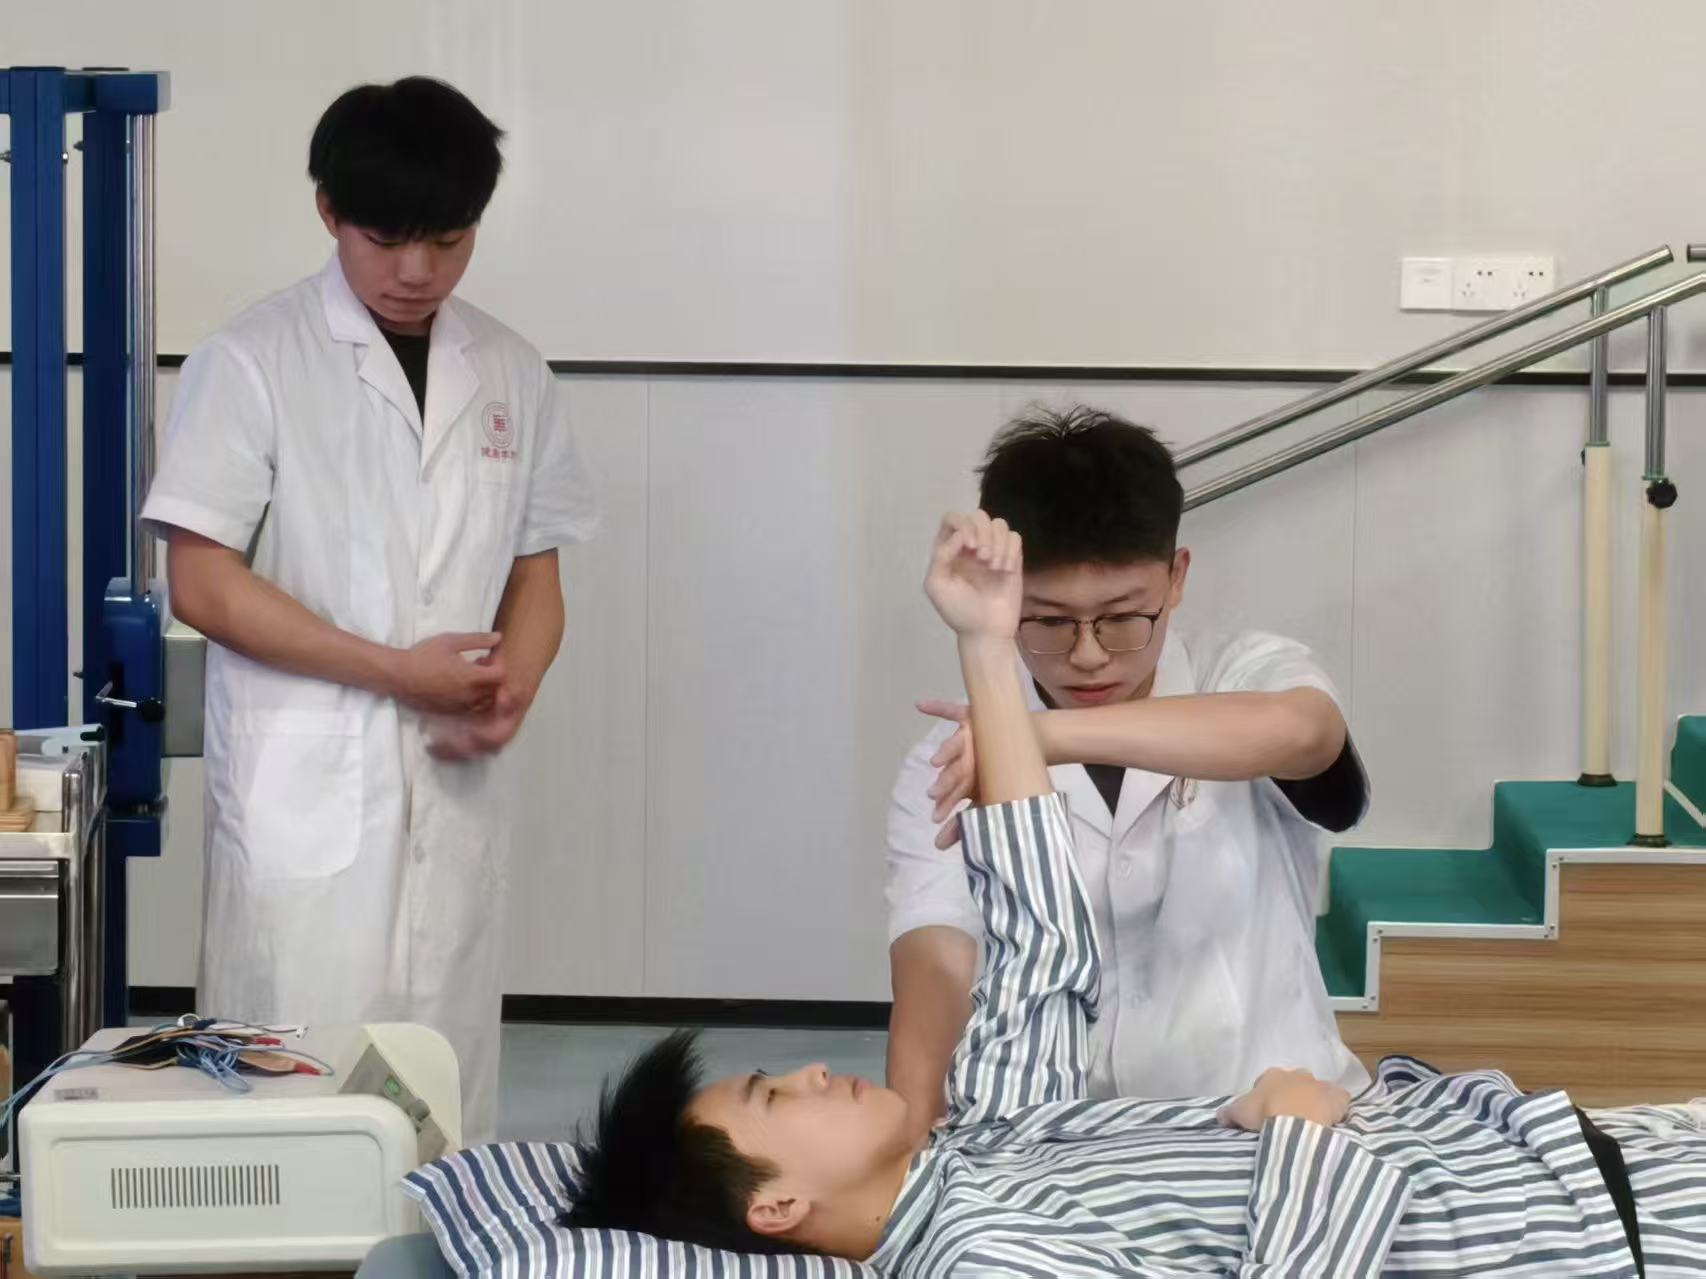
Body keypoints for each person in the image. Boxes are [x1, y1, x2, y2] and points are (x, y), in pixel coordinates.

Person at [564, 512, 1699, 1276]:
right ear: (775, 1208)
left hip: (1549, 1143)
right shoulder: (979, 1253)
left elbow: (1038, 943)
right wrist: (1301, 1140)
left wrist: (984, 649)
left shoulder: (981, 1146)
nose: (813, 1068)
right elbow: (938, 954)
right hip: (1577, 1232)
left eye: (1120, 616)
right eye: (773, 1095)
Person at [141, 77, 598, 1142]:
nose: (415, 271)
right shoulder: (252, 361)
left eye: (446, 240)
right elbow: (201, 581)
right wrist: (400, 672)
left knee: (439, 1103)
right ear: (328, 213)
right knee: (290, 1106)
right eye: (386, 239)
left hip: (450, 788)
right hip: (304, 791)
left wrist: (515, 684)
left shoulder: (511, 372)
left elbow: (536, 575)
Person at [887, 406, 1369, 1127]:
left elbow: (1306, 732)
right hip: (1078, 1151)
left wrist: (1032, 736)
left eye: (1121, 618)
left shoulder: (1243, 670)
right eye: (1048, 621)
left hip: (1276, 1128)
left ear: (1176, 578)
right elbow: (935, 970)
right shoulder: (947, 759)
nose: (1087, 654)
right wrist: (913, 1149)